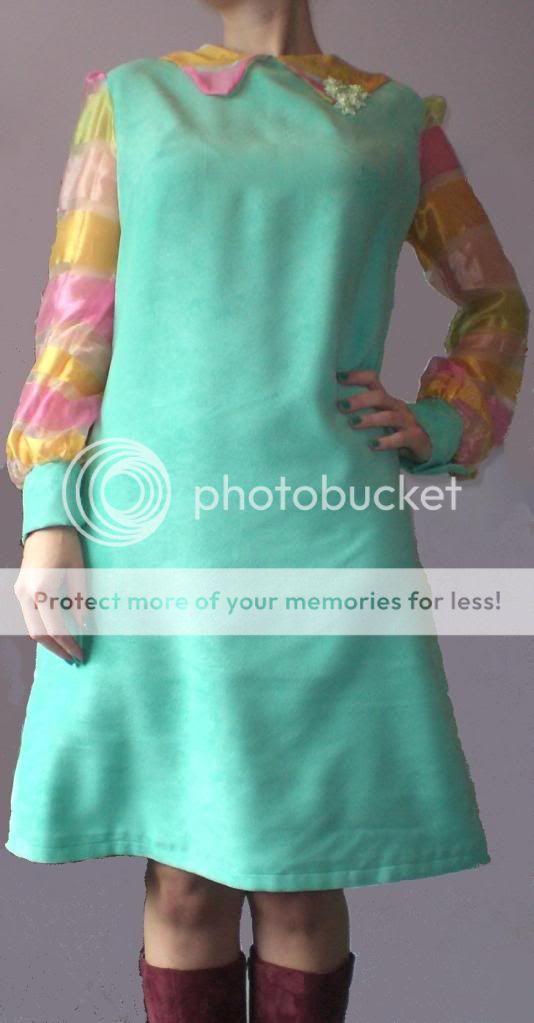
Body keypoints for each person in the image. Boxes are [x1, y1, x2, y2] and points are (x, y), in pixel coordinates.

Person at [4, 1, 529, 1021]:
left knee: (301, 875)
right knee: (182, 875)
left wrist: (443, 419)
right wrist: (50, 512)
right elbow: (76, 314)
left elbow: (495, 302)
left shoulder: (394, 117)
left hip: (325, 527)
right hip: (153, 531)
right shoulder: (132, 100)